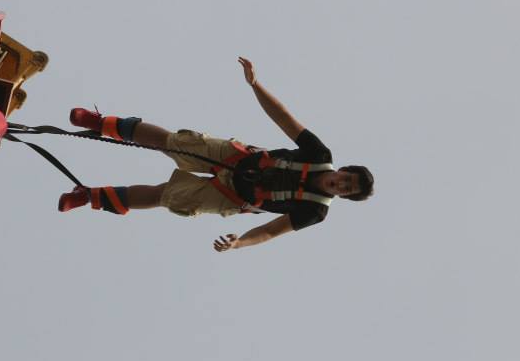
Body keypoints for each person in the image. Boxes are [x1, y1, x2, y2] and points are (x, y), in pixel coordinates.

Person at [59, 57, 374, 252]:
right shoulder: (318, 154)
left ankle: (89, 196)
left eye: (347, 189)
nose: (341, 184)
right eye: (346, 178)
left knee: (166, 196)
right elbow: (283, 118)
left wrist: (240, 243)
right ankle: (100, 122)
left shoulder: (314, 212)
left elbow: (269, 231)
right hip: (235, 158)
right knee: (172, 142)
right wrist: (255, 84)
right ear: (343, 169)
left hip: (233, 197)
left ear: (343, 196)